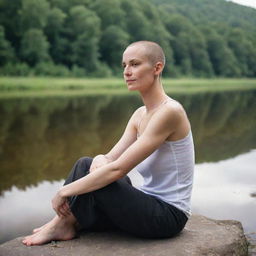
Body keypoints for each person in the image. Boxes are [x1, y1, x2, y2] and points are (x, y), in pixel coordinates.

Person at [22, 41, 194, 246]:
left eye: (135, 64)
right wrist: (100, 157)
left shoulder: (170, 112)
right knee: (86, 163)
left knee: (94, 173)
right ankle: (62, 223)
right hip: (145, 203)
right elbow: (112, 159)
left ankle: (62, 223)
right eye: (124, 66)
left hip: (168, 216)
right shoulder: (140, 115)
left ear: (157, 68)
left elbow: (118, 170)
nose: (127, 72)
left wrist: (63, 191)